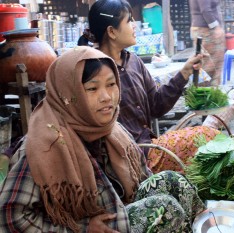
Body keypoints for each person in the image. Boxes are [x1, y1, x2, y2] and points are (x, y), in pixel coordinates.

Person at [0, 46, 205, 232]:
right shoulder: (45, 145)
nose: (107, 96)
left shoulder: (112, 130)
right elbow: (9, 216)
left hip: (117, 212)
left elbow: (144, 179)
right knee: (166, 209)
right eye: (92, 88)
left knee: (172, 180)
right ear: (68, 95)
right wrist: (82, 229)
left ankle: (209, 224)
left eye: (111, 84)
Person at [77, 0, 203, 157]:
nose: (134, 25)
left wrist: (184, 73)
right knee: (201, 140)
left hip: (150, 146)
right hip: (127, 158)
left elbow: (156, 106)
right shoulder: (94, 70)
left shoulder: (134, 61)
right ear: (112, 32)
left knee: (204, 137)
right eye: (129, 20)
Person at [188, 0, 226, 86]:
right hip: (206, 30)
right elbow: (205, 9)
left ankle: (208, 93)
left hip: (204, 29)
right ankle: (206, 95)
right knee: (209, 65)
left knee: (208, 64)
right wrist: (216, 27)